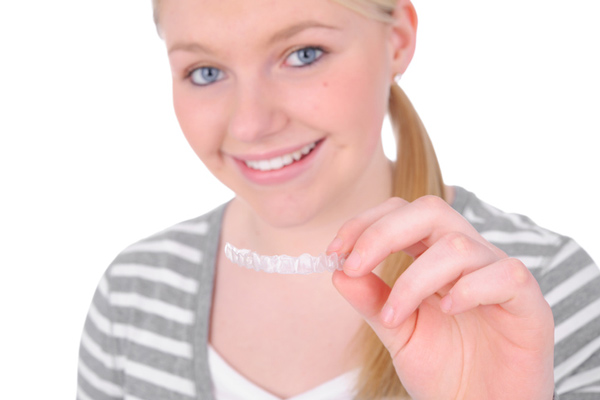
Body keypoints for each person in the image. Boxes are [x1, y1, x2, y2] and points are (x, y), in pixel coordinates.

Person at [76, 0, 600, 399]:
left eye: (303, 55)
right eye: (205, 72)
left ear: (397, 40)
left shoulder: (534, 291)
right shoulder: (133, 297)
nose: (250, 123)